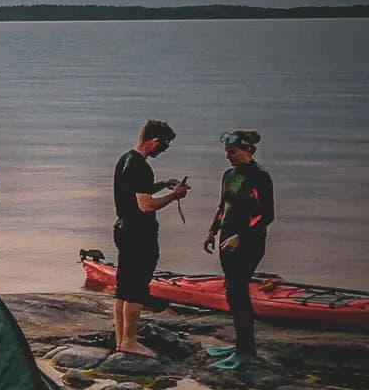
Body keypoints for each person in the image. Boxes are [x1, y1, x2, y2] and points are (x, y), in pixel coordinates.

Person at [110, 119, 190, 358]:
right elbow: (146, 206)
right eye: (164, 146)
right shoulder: (142, 166)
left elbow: (135, 192)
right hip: (139, 234)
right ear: (154, 141)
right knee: (136, 288)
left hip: (123, 229)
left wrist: (162, 185)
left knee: (123, 288)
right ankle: (130, 341)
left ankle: (120, 338)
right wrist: (174, 196)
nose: (163, 151)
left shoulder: (125, 160)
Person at [203, 130, 274, 372]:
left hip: (249, 243)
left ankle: (246, 350)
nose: (227, 156)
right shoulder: (229, 175)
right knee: (232, 291)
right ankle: (238, 346)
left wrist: (241, 237)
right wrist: (212, 231)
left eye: (232, 152)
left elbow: (266, 215)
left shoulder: (260, 177)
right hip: (226, 241)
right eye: (226, 152)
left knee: (239, 291)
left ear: (248, 150)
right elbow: (224, 206)